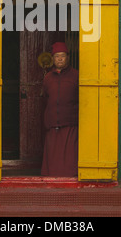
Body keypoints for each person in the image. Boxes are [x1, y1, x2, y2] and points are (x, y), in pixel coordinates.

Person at [41, 42, 79, 177]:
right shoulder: (48, 78)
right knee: (53, 154)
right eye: (57, 56)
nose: (60, 59)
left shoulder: (75, 76)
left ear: (68, 58)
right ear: (53, 59)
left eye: (63, 56)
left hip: (70, 123)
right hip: (53, 123)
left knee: (69, 155)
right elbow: (45, 98)